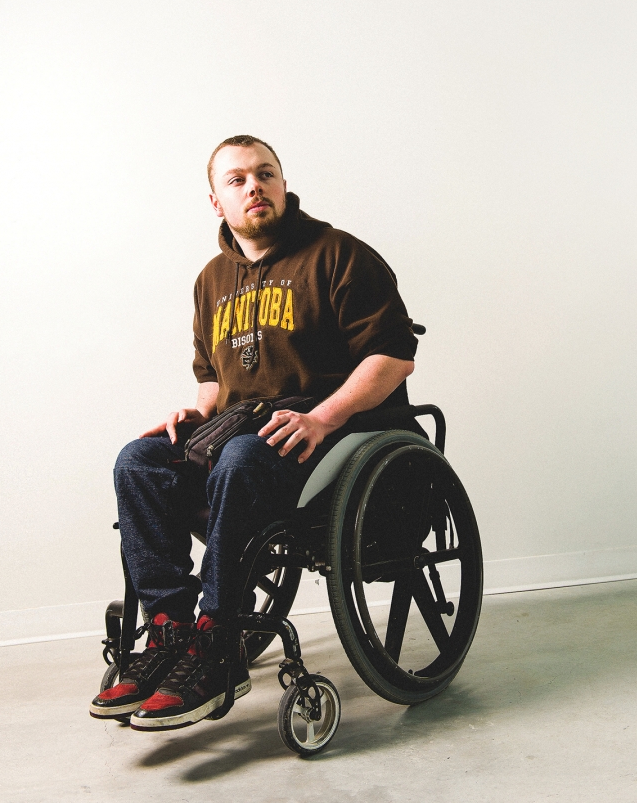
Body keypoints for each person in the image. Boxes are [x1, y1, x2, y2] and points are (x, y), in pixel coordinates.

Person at [90, 135, 418, 730]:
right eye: (237, 180)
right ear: (217, 201)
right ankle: (170, 634)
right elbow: (214, 386)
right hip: (242, 435)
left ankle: (218, 645)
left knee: (243, 453)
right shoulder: (212, 280)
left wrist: (324, 417)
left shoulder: (339, 255)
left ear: (284, 183)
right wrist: (193, 418)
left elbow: (393, 357)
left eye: (265, 174)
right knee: (138, 460)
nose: (254, 187)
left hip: (324, 436)